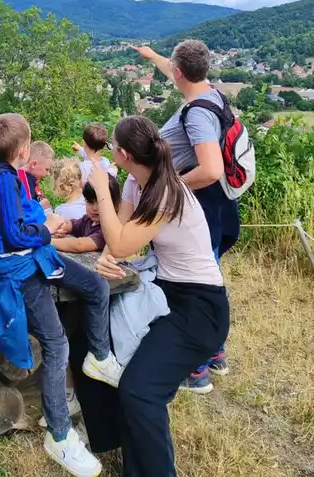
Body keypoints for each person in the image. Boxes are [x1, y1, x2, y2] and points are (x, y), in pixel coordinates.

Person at [72, 115, 229, 477]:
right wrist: (108, 258)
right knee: (88, 341)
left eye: (112, 146)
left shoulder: (167, 191)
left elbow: (120, 242)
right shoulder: (135, 182)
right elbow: (120, 237)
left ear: (124, 154)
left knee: (141, 390)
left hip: (199, 308)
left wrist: (100, 185)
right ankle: (117, 443)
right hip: (166, 292)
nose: (110, 152)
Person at [0, 113, 122, 477]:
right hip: (20, 268)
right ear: (24, 150)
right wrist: (47, 228)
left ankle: (99, 356)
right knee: (56, 344)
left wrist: (42, 228)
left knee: (96, 285)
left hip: (37, 257)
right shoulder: (4, 179)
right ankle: (59, 434)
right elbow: (14, 236)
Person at [133, 39, 237, 388]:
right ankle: (215, 352)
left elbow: (211, 169)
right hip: (214, 208)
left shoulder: (198, 114)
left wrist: (168, 186)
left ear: (180, 72)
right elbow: (176, 69)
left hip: (199, 209)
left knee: (193, 284)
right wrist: (152, 57)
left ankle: (196, 370)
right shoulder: (210, 93)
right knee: (209, 275)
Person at [52, 179, 120, 254]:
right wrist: (62, 228)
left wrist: (49, 241)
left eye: (100, 202)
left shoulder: (109, 229)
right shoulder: (87, 220)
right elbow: (72, 225)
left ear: (115, 204)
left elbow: (79, 245)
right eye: (90, 202)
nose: (94, 208)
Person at [18, 141, 54, 210]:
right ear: (33, 164)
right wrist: (41, 206)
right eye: (46, 169)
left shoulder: (32, 179)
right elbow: (27, 210)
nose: (48, 174)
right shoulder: (23, 179)